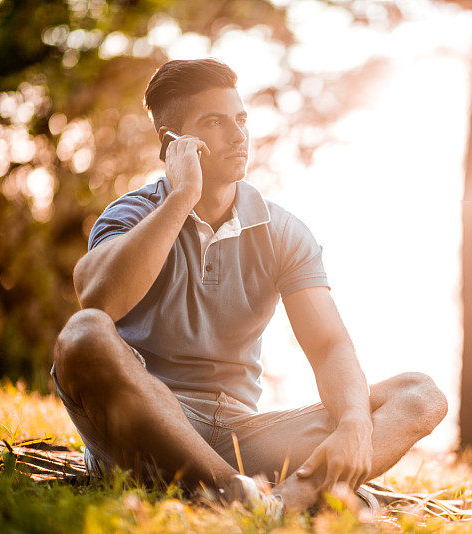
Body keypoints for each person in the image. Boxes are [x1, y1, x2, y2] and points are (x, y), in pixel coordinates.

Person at [50, 58, 448, 511]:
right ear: (172, 142)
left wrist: (355, 424)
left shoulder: (283, 230)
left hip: (246, 438)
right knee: (83, 334)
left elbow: (329, 347)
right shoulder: (133, 215)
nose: (239, 136)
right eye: (215, 123)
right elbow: (97, 300)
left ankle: (285, 499)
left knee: (420, 394)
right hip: (146, 431)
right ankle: (232, 491)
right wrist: (183, 196)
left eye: (240, 119)